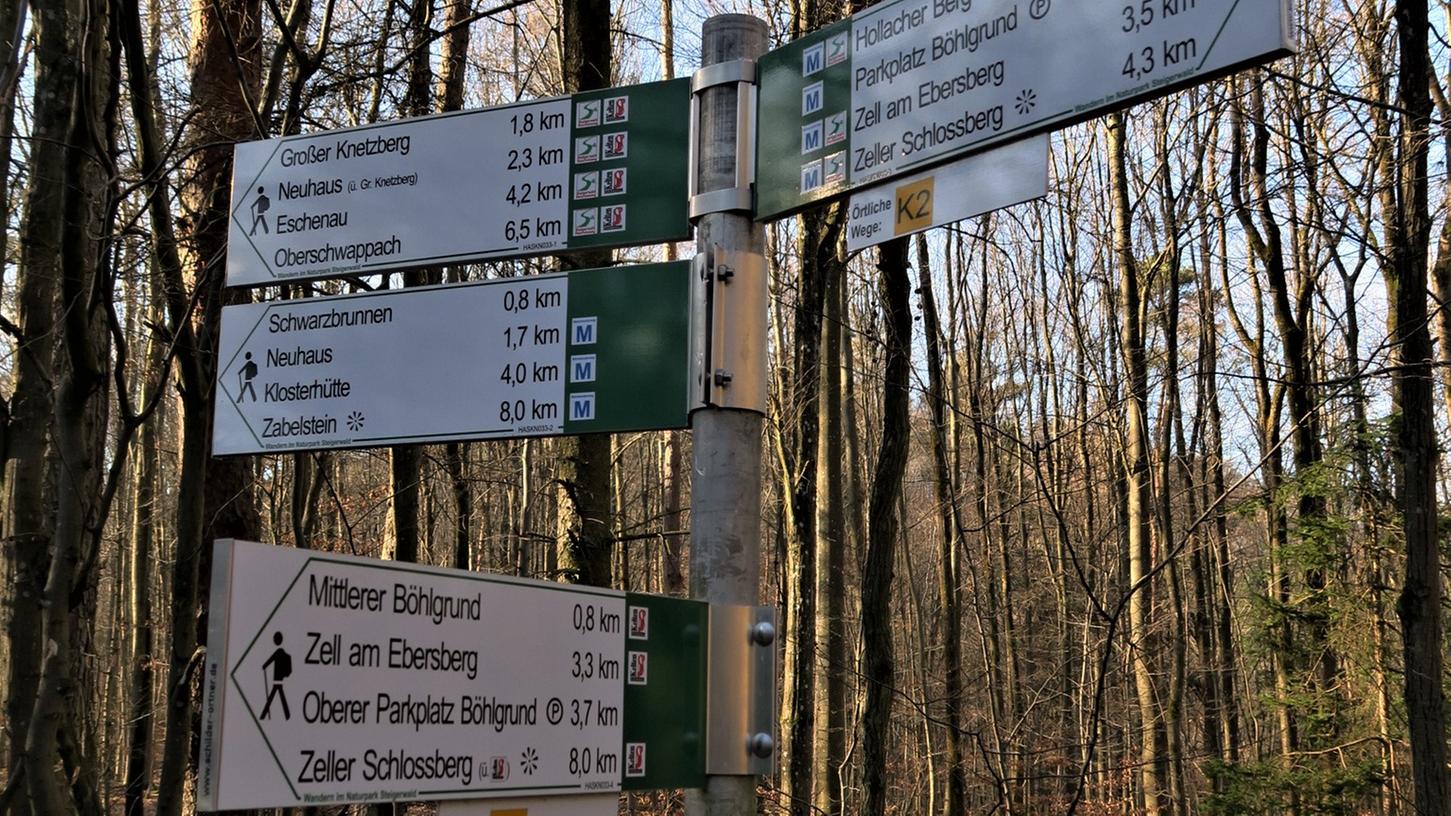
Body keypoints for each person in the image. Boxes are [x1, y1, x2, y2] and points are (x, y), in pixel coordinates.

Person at [261, 632, 292, 720]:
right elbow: (270, 660)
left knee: (274, 696)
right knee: (278, 695)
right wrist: (264, 666)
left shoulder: (278, 653)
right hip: (280, 679)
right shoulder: (282, 653)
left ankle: (264, 714)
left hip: (277, 679)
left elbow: (270, 660)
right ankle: (287, 714)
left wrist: (264, 666)